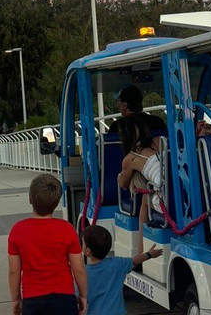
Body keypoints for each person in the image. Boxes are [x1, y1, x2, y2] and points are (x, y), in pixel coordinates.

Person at [7, 173, 88, 315]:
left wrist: (15, 299)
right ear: (57, 202)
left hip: (33, 299)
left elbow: (14, 271)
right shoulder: (67, 229)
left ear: (30, 199)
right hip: (64, 297)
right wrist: (83, 295)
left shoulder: (18, 230)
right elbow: (79, 268)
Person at [80, 225, 161, 315]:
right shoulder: (117, 264)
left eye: (82, 242)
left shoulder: (82, 273)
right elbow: (135, 260)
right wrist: (149, 254)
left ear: (88, 251)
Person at [115, 115, 162, 255]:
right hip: (181, 193)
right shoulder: (160, 141)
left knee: (144, 202)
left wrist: (121, 176)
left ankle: (141, 251)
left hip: (165, 200)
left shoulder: (131, 158)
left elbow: (123, 185)